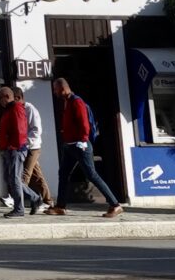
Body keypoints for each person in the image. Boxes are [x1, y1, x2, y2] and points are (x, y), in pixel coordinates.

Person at [52, 76, 123, 218]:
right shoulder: (67, 102)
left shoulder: (77, 102)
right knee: (63, 174)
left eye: (55, 89)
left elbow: (84, 125)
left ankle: (115, 205)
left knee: (91, 175)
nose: (54, 92)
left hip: (80, 146)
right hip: (69, 146)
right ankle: (60, 206)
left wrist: (83, 141)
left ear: (63, 88)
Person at [0, 84, 44, 217]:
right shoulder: (9, 109)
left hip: (15, 149)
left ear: (7, 97)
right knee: (11, 179)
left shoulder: (16, 108)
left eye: (0, 98)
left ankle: (19, 208)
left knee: (15, 179)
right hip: (10, 148)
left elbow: (20, 129)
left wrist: (14, 146)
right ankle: (35, 198)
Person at [21, 87, 62, 215]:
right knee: (37, 176)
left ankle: (16, 199)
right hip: (26, 146)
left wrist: (25, 141)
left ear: (17, 98)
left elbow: (36, 130)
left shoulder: (30, 109)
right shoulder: (19, 109)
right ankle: (48, 201)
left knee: (25, 175)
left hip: (33, 146)